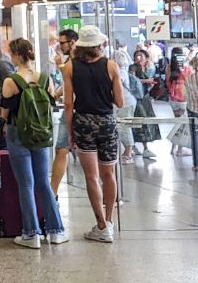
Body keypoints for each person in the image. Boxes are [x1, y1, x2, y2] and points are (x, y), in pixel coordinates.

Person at [1, 37, 67, 249]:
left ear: (17, 56)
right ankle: (56, 230)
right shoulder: (45, 78)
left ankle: (31, 233)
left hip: (17, 133)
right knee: (43, 181)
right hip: (41, 134)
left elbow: (5, 112)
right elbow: (50, 103)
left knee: (26, 184)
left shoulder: (11, 81)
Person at [62, 26, 123, 243]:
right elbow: (120, 101)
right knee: (109, 174)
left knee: (91, 176)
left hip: (83, 121)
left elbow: (68, 104)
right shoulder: (111, 66)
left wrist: (69, 132)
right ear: (99, 45)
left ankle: (100, 224)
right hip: (107, 122)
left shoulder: (69, 67)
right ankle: (109, 221)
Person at [50, 28, 77, 195]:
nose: (60, 46)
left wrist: (60, 66)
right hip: (71, 109)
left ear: (72, 42)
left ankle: (52, 192)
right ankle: (52, 192)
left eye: (62, 43)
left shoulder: (72, 63)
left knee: (61, 149)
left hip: (74, 110)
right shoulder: (68, 62)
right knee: (61, 149)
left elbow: (71, 79)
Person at [128, 49, 160, 159]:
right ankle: (142, 147)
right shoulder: (133, 67)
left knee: (145, 119)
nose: (138, 58)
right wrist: (147, 81)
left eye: (140, 56)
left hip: (145, 97)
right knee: (141, 120)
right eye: (136, 56)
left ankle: (136, 146)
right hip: (137, 98)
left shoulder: (148, 69)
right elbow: (133, 80)